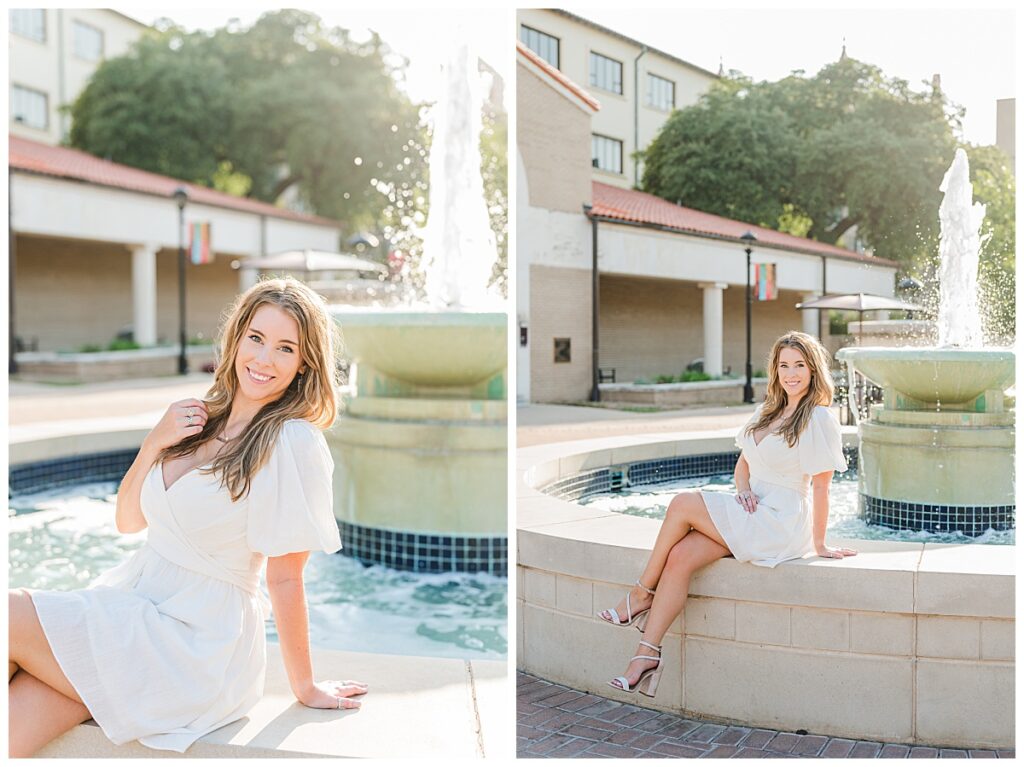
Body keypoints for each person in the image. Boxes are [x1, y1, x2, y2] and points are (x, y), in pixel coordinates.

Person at [9, 277, 368, 756]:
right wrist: (152, 443)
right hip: (133, 609)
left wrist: (305, 687)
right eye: (256, 339)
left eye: (286, 348)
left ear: (305, 364)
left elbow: (285, 578)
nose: (263, 360)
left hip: (195, 645)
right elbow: (129, 522)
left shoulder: (289, 441)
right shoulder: (199, 417)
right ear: (237, 337)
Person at [597, 330, 857, 697]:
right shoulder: (767, 410)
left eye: (799, 365)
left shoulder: (817, 418)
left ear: (814, 370)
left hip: (780, 520)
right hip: (751, 508)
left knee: (682, 504)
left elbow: (821, 486)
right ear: (775, 370)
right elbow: (743, 467)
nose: (791, 373)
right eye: (784, 365)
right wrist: (744, 491)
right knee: (681, 556)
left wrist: (821, 544)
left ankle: (640, 594)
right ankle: (647, 655)